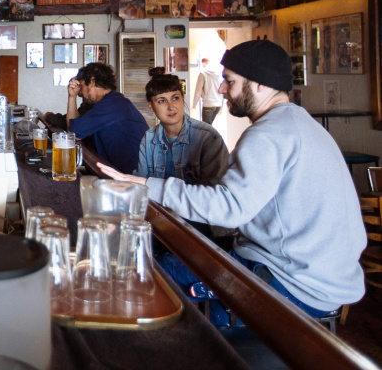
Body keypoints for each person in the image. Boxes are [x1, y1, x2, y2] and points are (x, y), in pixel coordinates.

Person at [98, 40, 366, 323]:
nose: (222, 88)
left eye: (229, 81)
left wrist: (146, 185)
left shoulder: (268, 134)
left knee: (145, 275)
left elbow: (229, 208)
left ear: (259, 83)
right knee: (169, 260)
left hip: (293, 283)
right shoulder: (299, 124)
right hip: (320, 277)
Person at [137, 68, 228, 186]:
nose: (171, 107)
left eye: (175, 98)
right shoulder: (149, 138)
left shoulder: (208, 138)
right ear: (151, 106)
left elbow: (215, 192)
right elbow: (140, 185)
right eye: (161, 101)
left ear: (182, 98)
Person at [65, 62, 149, 175]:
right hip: (124, 172)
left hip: (133, 176)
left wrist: (72, 97)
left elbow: (73, 132)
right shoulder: (113, 101)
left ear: (92, 81)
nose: (80, 92)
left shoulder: (110, 105)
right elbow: (75, 128)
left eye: (82, 86)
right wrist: (72, 96)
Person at [192, 58, 223, 125]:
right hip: (218, 105)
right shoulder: (218, 75)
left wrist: (194, 105)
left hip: (208, 104)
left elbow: (198, 91)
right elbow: (222, 91)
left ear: (204, 63)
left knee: (206, 127)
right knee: (209, 126)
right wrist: (221, 107)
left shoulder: (203, 74)